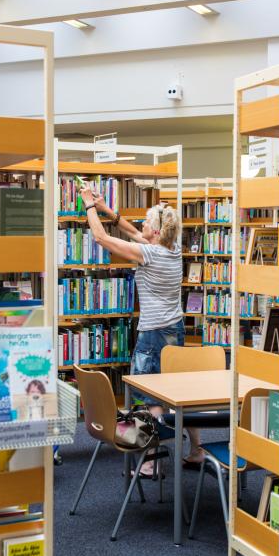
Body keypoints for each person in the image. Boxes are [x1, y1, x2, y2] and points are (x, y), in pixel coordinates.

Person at [79, 184, 205, 474]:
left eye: (148, 222)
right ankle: (196, 448)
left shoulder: (149, 254)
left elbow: (101, 237)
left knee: (147, 396)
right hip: (175, 328)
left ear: (157, 233)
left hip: (153, 334)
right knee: (180, 392)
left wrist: (88, 206)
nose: (142, 225)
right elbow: (133, 231)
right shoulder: (173, 250)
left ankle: (150, 461)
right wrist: (105, 207)